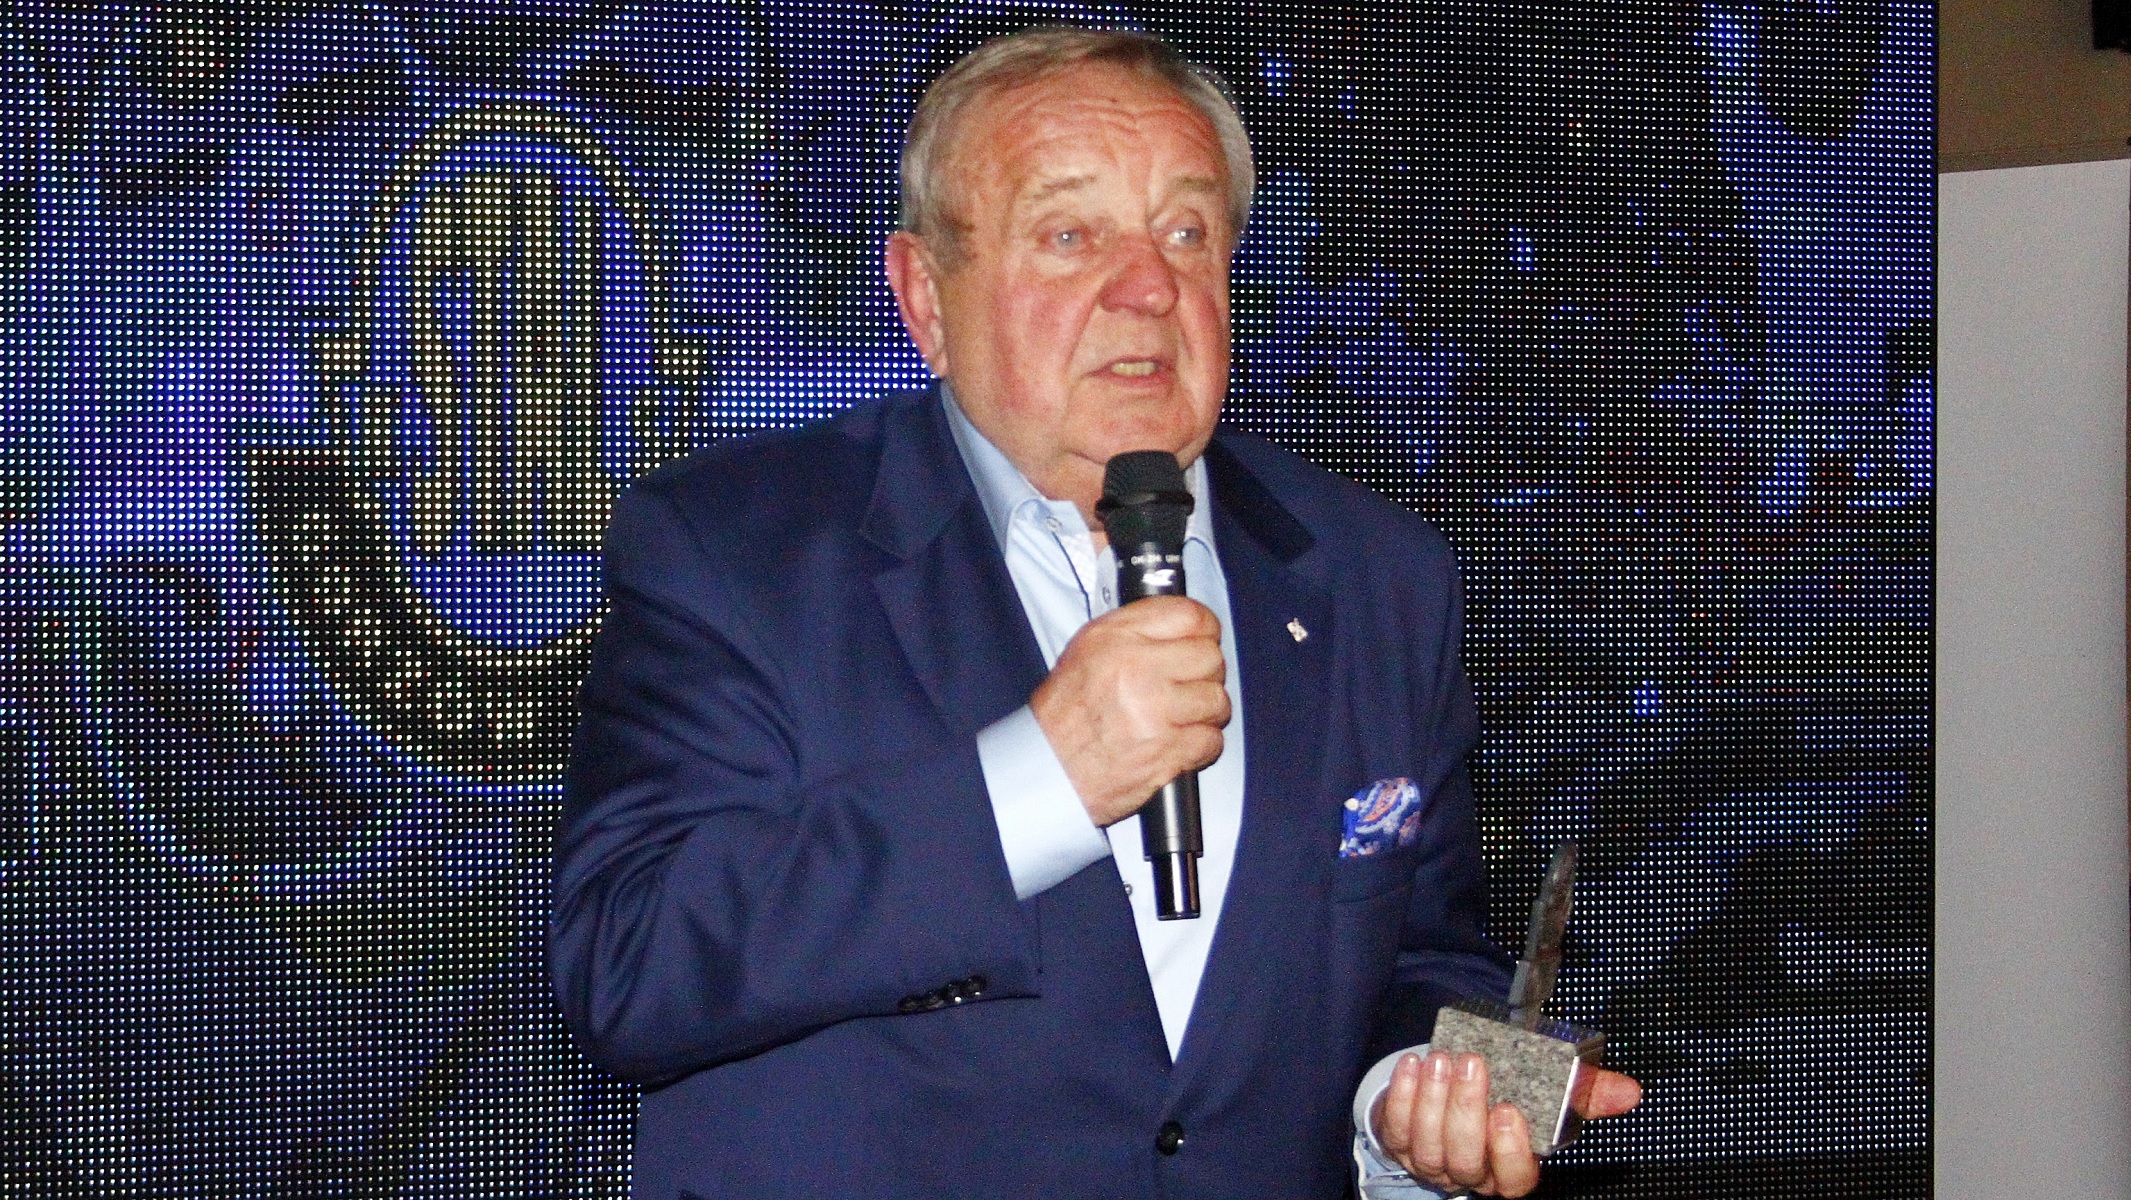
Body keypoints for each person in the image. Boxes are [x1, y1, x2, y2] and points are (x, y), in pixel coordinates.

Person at [550, 27, 1639, 1200]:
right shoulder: (732, 549)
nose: (1149, 286)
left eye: (1187, 232)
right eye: (1070, 235)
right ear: (924, 296)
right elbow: (633, 966)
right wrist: (1042, 778)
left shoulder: (1379, 575)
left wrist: (1413, 1105)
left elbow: (1416, 952)